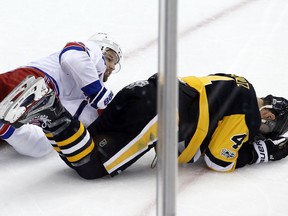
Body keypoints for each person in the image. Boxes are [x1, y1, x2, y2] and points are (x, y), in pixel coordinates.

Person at [2, 73, 288, 179]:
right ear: (270, 117)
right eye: (268, 130)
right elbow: (218, 160)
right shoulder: (249, 115)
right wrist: (262, 152)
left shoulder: (237, 81)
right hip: (161, 112)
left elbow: (208, 111)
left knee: (86, 142)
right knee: (91, 167)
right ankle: (50, 108)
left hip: (144, 89)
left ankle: (42, 111)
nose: (259, 132)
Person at [0, 33, 123, 157]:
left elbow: (88, 120)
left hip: (35, 111)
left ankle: (3, 125)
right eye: (110, 58)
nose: (112, 66)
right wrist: (98, 94)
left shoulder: (87, 98)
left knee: (43, 147)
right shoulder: (93, 52)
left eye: (115, 64)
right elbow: (72, 57)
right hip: (30, 81)